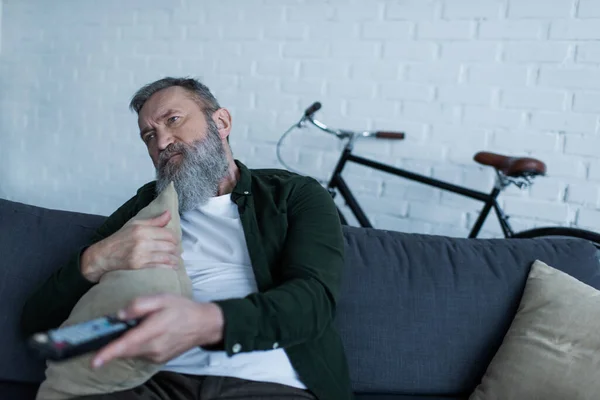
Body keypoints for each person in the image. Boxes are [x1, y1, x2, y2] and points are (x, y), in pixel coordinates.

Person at [21, 77, 353, 400]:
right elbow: (38, 324)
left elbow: (313, 300)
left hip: (267, 381)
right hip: (150, 382)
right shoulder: (145, 207)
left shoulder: (293, 195)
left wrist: (207, 322)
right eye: (149, 135)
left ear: (221, 122)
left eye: (173, 120)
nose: (161, 142)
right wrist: (95, 260)